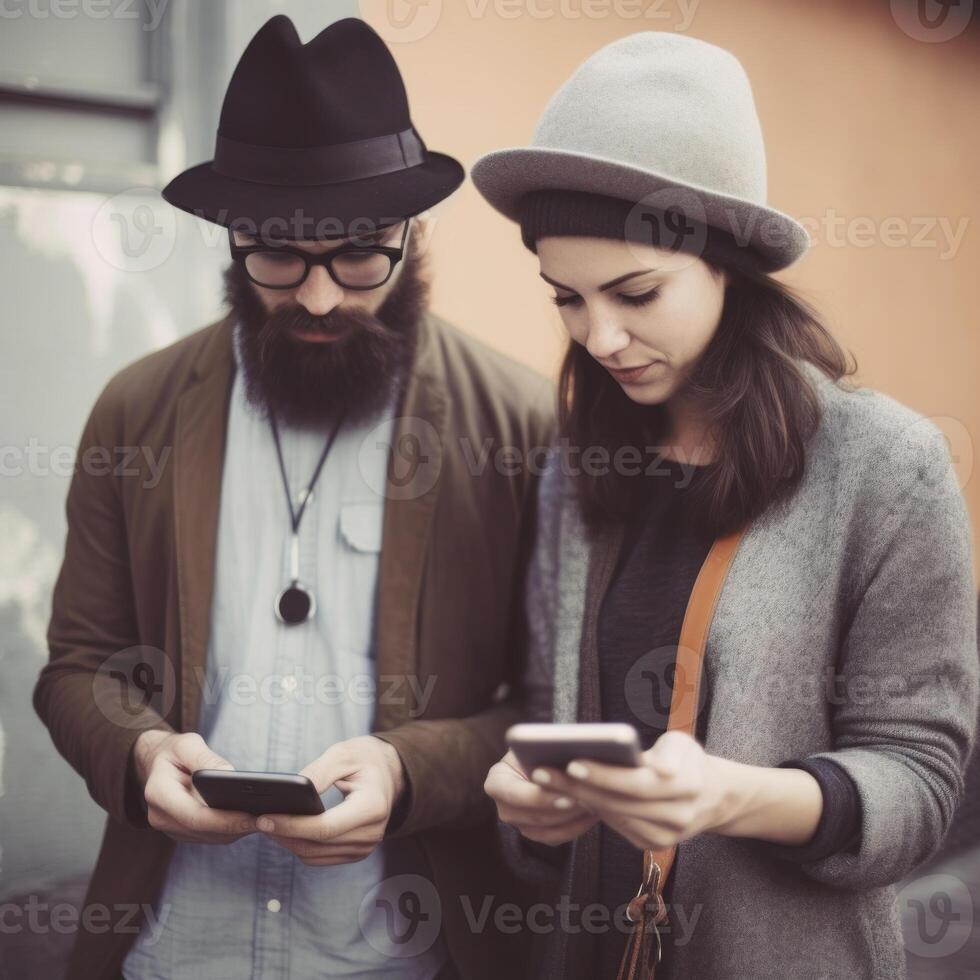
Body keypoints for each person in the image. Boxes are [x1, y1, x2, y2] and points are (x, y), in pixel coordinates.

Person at [34, 16, 553, 980]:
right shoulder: (136, 409)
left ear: (413, 232)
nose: (319, 297)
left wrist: (410, 776)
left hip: (403, 958)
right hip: (172, 951)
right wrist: (142, 754)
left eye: (360, 256)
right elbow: (77, 668)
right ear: (232, 239)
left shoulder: (520, 423)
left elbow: (548, 706)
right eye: (277, 255)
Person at [471, 31, 978, 980]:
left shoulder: (886, 464)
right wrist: (531, 816)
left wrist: (728, 797)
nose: (602, 337)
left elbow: (921, 790)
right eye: (567, 300)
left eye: (636, 292)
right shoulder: (577, 464)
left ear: (728, 264)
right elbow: (553, 717)